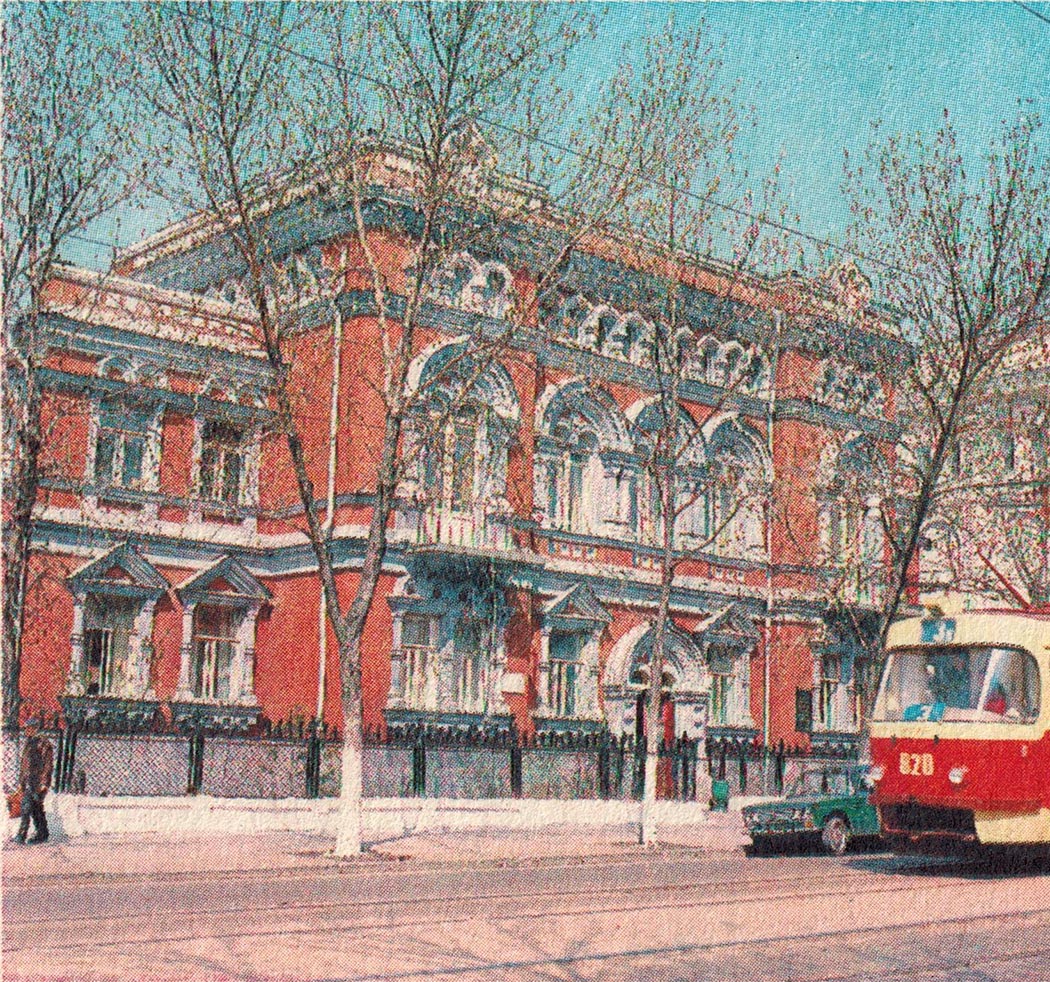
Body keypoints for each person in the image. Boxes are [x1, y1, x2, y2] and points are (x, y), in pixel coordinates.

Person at [15, 721, 53, 844]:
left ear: (35, 728)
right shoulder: (29, 742)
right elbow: (24, 764)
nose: (26, 730)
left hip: (38, 781)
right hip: (29, 781)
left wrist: (44, 783)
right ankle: (42, 833)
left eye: (29, 728)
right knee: (35, 808)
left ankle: (22, 834)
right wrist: (21, 781)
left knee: (28, 807)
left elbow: (48, 764)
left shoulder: (43, 743)